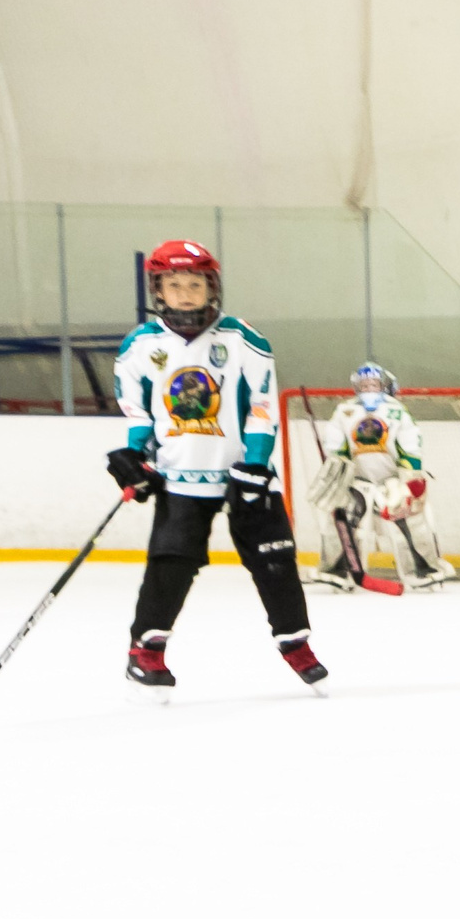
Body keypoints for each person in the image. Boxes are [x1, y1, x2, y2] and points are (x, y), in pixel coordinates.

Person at [108, 239, 327, 690]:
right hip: (177, 474)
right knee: (171, 562)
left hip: (245, 473)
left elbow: (262, 406)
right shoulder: (140, 346)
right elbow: (139, 413)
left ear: (212, 288)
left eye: (195, 283)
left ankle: (295, 643)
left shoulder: (244, 339)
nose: (185, 293)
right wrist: (135, 457)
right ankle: (146, 649)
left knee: (275, 560)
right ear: (158, 291)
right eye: (174, 284)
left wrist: (257, 463)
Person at [308, 362, 449, 591]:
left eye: (374, 383)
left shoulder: (396, 409)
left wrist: (410, 473)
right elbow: (335, 442)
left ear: (384, 385)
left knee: (411, 522)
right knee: (341, 521)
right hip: (357, 480)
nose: (369, 388)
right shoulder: (345, 410)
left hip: (392, 480)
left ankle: (425, 570)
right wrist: (337, 462)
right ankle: (337, 571)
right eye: (364, 384)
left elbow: (410, 441)